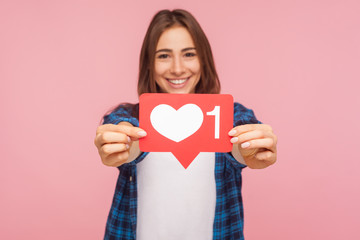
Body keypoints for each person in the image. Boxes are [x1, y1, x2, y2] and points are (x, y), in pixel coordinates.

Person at [94, 9, 277, 240]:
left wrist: (250, 149)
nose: (178, 68)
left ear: (204, 60)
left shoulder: (230, 116)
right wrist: (122, 146)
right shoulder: (128, 117)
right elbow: (121, 129)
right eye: (163, 56)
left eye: (189, 54)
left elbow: (241, 137)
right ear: (149, 63)